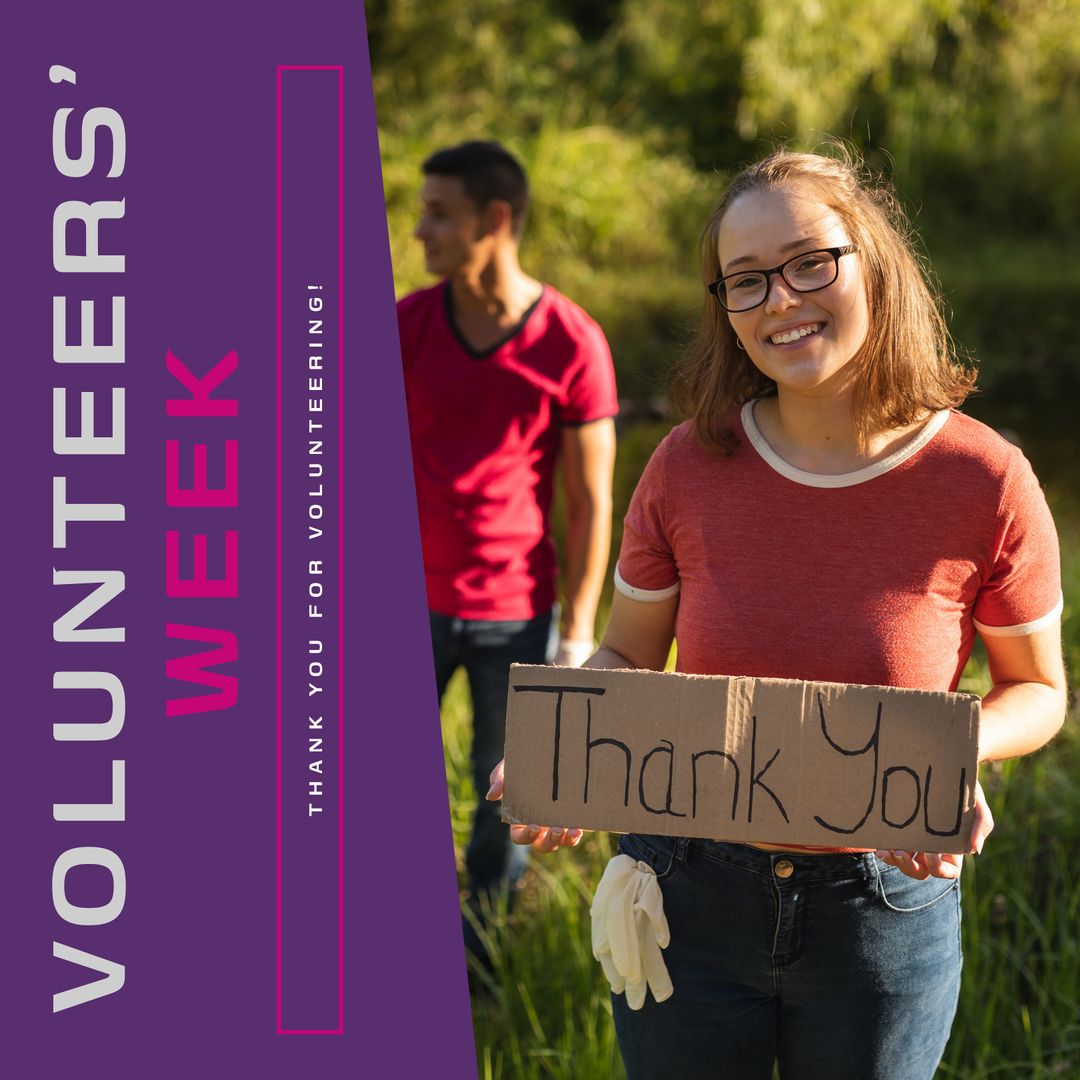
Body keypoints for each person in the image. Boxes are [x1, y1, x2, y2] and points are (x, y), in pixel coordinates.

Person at [488, 148, 1066, 1078]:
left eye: (810, 262)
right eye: (745, 281)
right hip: (687, 893)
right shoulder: (684, 464)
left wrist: (952, 756)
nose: (781, 301)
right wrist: (566, 743)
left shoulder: (984, 477)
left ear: (871, 262)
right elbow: (630, 656)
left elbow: (1038, 690)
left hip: (884, 906)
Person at [398, 141, 618, 940]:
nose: (420, 229)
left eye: (438, 212)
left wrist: (579, 634)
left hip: (516, 614)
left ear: (494, 220)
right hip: (407, 605)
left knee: (504, 802)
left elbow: (590, 501)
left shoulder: (571, 341)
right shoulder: (406, 327)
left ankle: (478, 976)